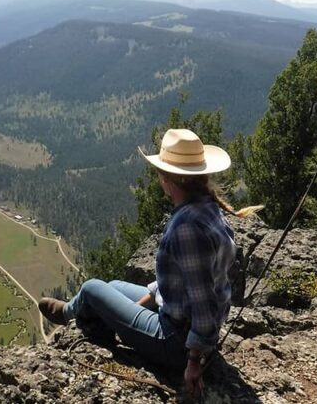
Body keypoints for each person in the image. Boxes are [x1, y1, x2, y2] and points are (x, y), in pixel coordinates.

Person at [38, 128, 259, 397]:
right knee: (114, 285)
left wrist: (192, 362)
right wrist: (139, 307)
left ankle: (67, 314)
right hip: (182, 323)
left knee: (92, 287)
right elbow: (182, 286)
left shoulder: (186, 227)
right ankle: (93, 313)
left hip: (176, 342)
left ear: (167, 179)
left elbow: (203, 303)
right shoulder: (207, 208)